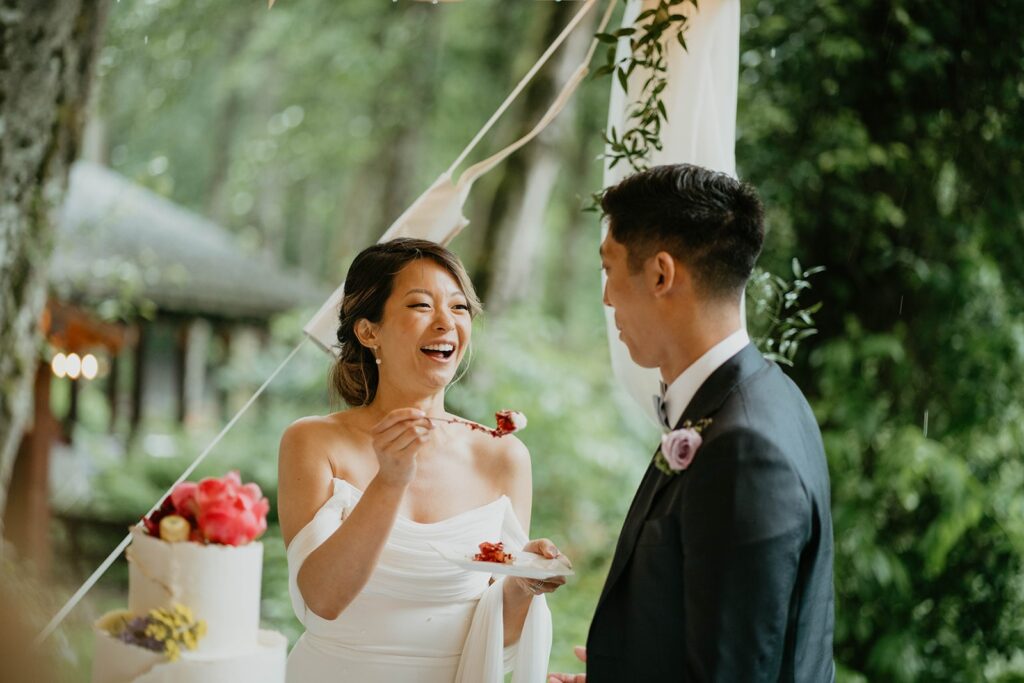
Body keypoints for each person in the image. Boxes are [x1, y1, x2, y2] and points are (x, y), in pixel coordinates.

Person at [550, 164, 835, 682]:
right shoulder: (766, 396)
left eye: (608, 269)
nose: (607, 297)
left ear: (661, 274)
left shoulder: (745, 446)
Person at [279, 238, 565, 682]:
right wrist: (389, 480)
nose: (445, 323)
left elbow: (498, 636)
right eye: (420, 306)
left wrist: (525, 585)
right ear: (369, 331)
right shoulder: (314, 441)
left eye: (458, 308)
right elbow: (323, 599)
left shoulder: (503, 455)